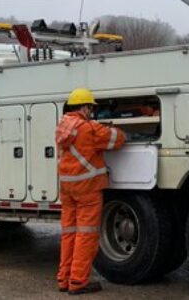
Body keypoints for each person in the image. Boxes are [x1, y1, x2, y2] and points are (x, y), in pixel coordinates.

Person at [55, 88, 126, 295]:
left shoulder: (61, 127)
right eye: (91, 108)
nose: (92, 111)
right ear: (85, 107)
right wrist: (114, 128)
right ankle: (78, 282)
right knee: (86, 236)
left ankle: (64, 279)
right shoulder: (88, 129)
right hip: (87, 189)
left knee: (69, 234)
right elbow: (117, 139)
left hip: (67, 188)